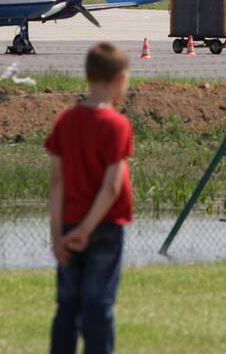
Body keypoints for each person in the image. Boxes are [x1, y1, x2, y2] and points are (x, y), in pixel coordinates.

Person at [45, 42, 134, 354]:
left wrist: (57, 234)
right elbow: (112, 187)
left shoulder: (65, 121)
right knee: (98, 305)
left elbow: (57, 182)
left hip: (68, 224)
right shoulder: (117, 125)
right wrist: (88, 229)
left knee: (67, 306)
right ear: (120, 79)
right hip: (105, 227)